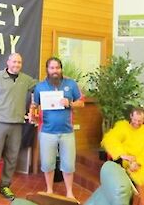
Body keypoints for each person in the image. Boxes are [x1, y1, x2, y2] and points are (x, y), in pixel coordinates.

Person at [0, 53, 38, 205]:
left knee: (12, 159)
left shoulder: (26, 80)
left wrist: (58, 84)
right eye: (14, 61)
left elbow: (41, 88)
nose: (17, 65)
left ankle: (5, 186)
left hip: (17, 124)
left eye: (19, 62)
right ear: (8, 62)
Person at [33, 57, 84, 199]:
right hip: (47, 132)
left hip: (67, 132)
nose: (55, 71)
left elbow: (81, 103)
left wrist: (70, 103)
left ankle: (69, 192)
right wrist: (33, 114)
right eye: (52, 68)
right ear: (47, 70)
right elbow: (34, 106)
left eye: (57, 68)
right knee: (48, 164)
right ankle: (49, 190)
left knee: (68, 165)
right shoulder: (40, 87)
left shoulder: (71, 84)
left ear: (61, 69)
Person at [101, 107, 144, 186]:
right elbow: (110, 140)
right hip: (123, 159)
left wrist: (137, 163)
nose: (136, 123)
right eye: (135, 120)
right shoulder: (122, 127)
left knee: (141, 176)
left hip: (139, 162)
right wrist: (123, 155)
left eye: (139, 121)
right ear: (131, 116)